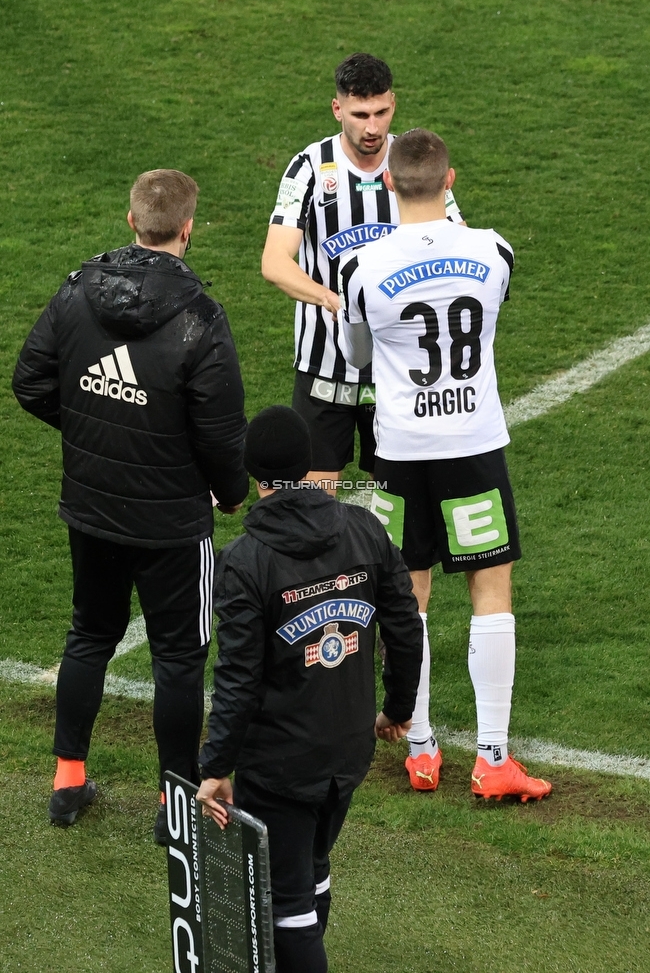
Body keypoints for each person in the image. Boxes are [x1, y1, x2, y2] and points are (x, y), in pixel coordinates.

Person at [12, 169, 249, 837]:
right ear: (188, 227)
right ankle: (174, 806)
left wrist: (96, 432)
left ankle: (66, 782)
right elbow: (220, 434)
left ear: (131, 221)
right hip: (172, 520)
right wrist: (231, 495)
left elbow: (30, 382)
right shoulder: (199, 317)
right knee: (178, 656)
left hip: (91, 507)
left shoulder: (77, 290)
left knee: (90, 633)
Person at [338, 129, 552, 802]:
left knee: (409, 595)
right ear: (450, 179)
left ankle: (422, 750)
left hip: (397, 448)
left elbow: (357, 354)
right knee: (490, 590)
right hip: (472, 443)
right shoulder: (493, 251)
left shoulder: (362, 267)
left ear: (390, 185)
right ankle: (492, 759)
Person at [196, 405, 422, 973]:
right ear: (309, 465)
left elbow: (238, 680)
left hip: (279, 766)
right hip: (350, 748)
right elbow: (405, 622)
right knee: (314, 864)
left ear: (254, 477)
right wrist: (399, 708)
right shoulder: (365, 528)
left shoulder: (245, 561)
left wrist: (216, 766)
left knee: (283, 905)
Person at [261, 53, 464, 490]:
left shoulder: (412, 163)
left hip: (400, 371)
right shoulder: (309, 168)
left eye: (381, 112)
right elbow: (275, 263)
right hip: (324, 370)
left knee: (399, 515)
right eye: (359, 115)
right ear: (338, 110)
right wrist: (336, 302)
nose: (372, 128)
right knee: (312, 508)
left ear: (394, 103)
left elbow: (457, 239)